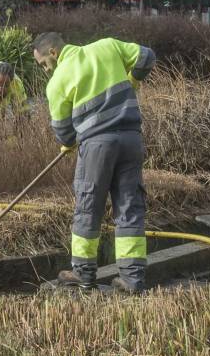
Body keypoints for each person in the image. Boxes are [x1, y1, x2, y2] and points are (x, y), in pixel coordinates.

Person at [33, 32, 156, 294]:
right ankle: (132, 279)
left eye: (44, 63)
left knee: (89, 206)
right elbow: (147, 57)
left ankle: (83, 273)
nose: (46, 70)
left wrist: (69, 142)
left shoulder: (57, 83)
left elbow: (64, 132)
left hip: (97, 146)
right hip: (131, 139)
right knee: (130, 206)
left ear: (54, 52)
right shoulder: (107, 47)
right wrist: (133, 80)